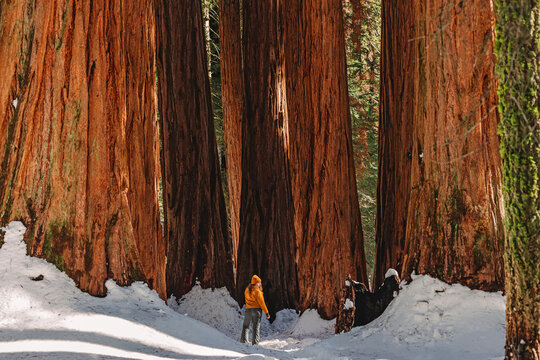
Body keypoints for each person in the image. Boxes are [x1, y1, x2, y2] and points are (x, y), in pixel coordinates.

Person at [240, 275, 270, 345]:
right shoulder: (258, 291)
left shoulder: (247, 290)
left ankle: (243, 341)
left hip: (248, 310)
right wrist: (267, 313)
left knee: (246, 326)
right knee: (256, 327)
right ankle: (255, 343)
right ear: (257, 283)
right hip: (256, 311)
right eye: (259, 282)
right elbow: (262, 303)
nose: (260, 284)